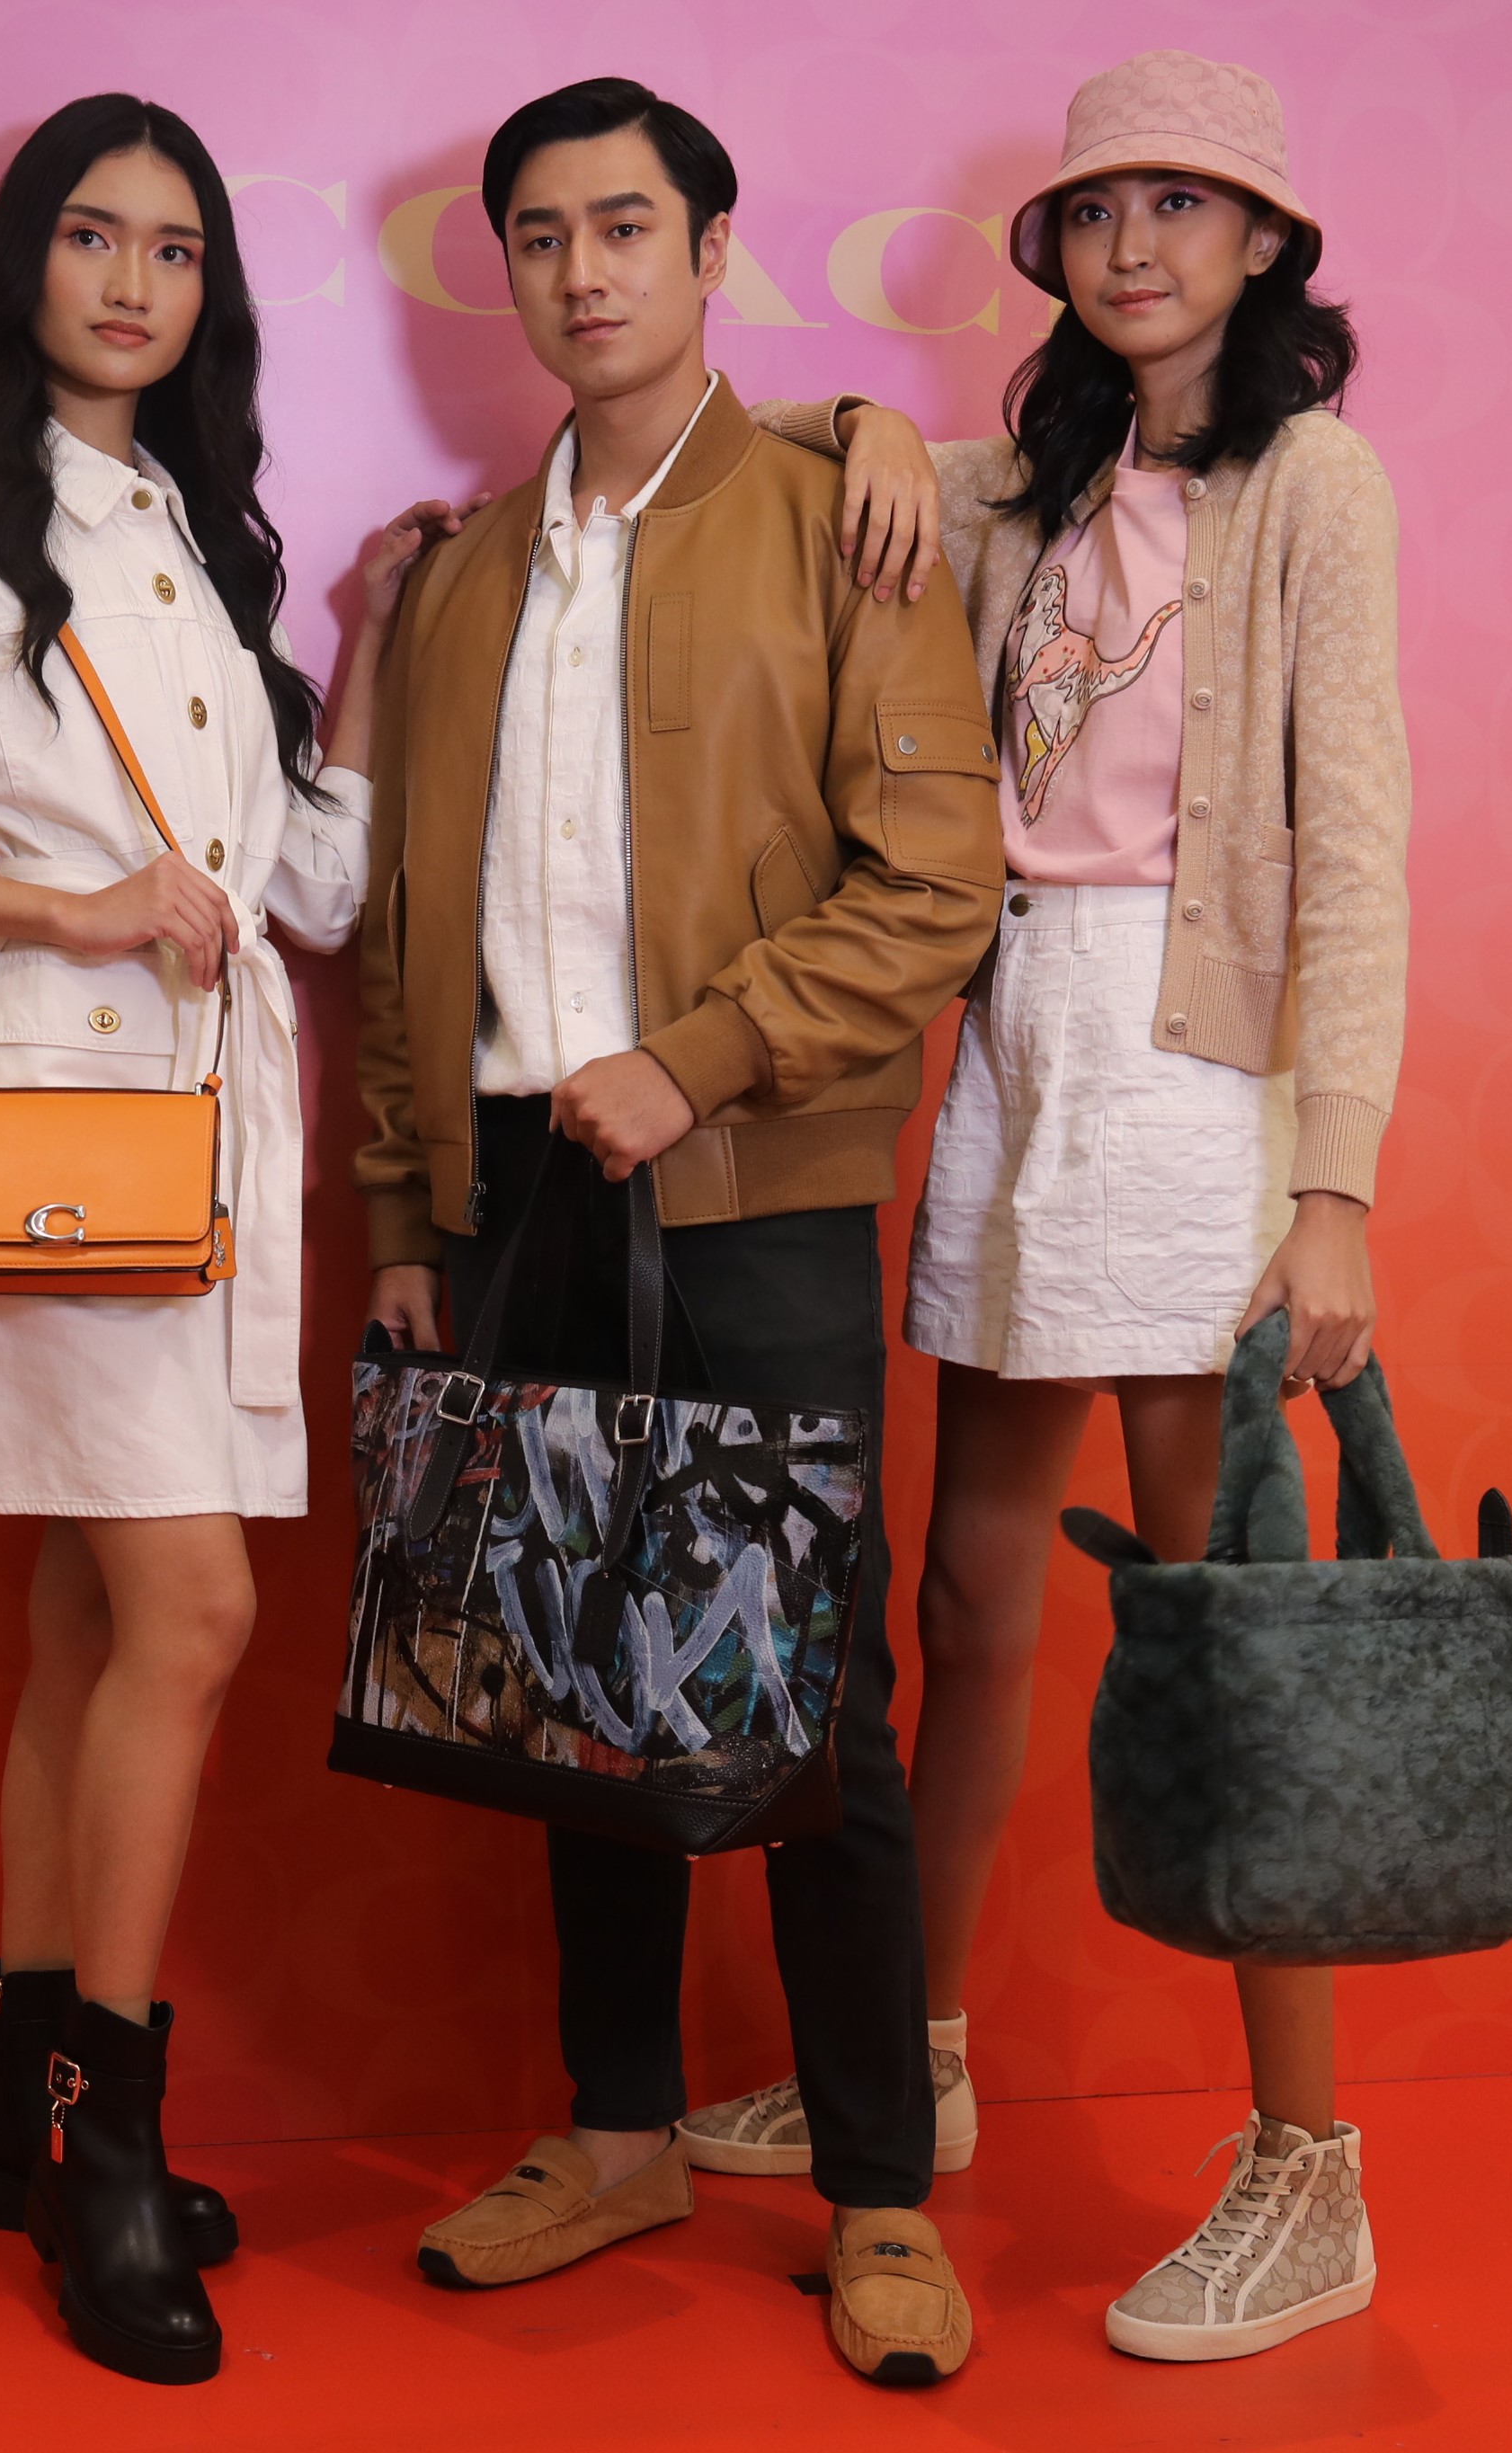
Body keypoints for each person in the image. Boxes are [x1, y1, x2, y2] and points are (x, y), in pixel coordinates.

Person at [0, 93, 458, 2387]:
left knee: (84, 1611)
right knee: (191, 1609)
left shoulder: (197, 533)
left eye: (173, 248)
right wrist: (57, 906)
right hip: (66, 1123)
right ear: (20, 267)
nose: (131, 282)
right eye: (89, 236)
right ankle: (106, 2147)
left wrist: (367, 637)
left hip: (213, 1137)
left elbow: (303, 889)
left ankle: (14, 2108)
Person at [705, 50, 1412, 2362]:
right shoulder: (1033, 479)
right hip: (1018, 1043)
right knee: (967, 1592)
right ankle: (902, 2070)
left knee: (1214, 1628)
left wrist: (1332, 1183)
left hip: (1195, 1068)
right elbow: (778, 442)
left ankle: (1305, 2170)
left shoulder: (1309, 486)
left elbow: (1358, 840)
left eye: (1179, 208)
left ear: (1261, 244)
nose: (1131, 247)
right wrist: (867, 426)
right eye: (1096, 211)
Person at [353, 77, 1005, 2386]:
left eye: (625, 226)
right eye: (538, 237)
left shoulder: (843, 518)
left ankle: (875, 2192)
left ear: (713, 252)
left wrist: (703, 1055)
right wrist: (406, 1203)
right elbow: (404, 923)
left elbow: (934, 885)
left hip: (754, 1186)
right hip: (514, 1190)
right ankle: (619, 2133)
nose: (582, 272)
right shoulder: (453, 578)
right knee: (567, 1672)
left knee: (820, 1706)